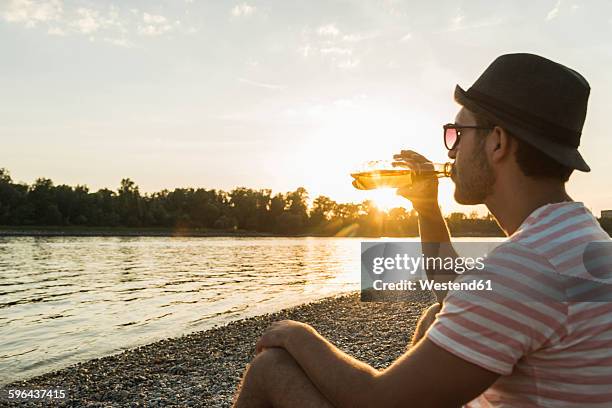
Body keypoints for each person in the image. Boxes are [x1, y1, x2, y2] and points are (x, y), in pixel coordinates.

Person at [232, 53, 612, 407]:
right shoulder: (580, 240)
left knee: (273, 369)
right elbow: (466, 296)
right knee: (436, 315)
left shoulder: (526, 266)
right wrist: (428, 208)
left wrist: (298, 334)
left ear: (497, 142)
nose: (449, 153)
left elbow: (379, 401)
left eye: (457, 134)